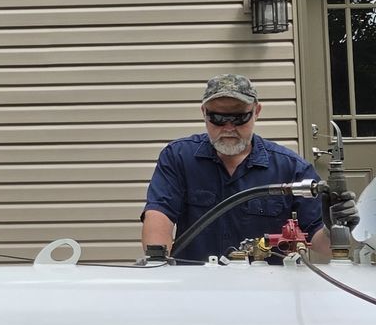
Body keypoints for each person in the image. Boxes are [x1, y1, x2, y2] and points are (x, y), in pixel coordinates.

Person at [141, 73, 341, 262]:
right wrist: (159, 264)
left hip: (269, 288)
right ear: (204, 113)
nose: (228, 127)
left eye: (239, 118)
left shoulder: (291, 168)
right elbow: (159, 215)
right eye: (217, 118)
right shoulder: (178, 158)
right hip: (197, 283)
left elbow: (319, 241)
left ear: (257, 112)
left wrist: (337, 228)